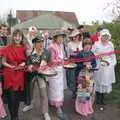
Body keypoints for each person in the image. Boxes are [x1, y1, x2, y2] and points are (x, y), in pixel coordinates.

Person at [2, 29, 26, 120]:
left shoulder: (24, 48)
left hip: (19, 74)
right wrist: (10, 66)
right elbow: (3, 62)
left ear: (21, 37)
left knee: (17, 98)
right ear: (13, 37)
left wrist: (24, 63)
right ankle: (13, 117)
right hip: (9, 74)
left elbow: (26, 60)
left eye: (19, 36)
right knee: (11, 98)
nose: (17, 38)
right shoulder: (7, 48)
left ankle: (16, 116)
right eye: (15, 36)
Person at [26, 34, 51, 120]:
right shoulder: (30, 52)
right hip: (31, 75)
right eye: (38, 42)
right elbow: (28, 61)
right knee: (30, 91)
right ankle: (30, 105)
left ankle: (46, 112)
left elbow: (44, 62)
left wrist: (41, 67)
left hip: (41, 76)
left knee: (43, 93)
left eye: (42, 41)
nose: (41, 44)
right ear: (34, 43)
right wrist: (29, 65)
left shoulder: (46, 52)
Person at [92, 29, 117, 110]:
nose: (105, 38)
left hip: (107, 65)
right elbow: (92, 53)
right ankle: (97, 97)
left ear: (108, 37)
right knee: (98, 80)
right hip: (99, 64)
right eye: (103, 36)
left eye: (106, 36)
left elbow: (113, 55)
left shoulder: (110, 44)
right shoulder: (96, 44)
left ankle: (102, 98)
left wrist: (112, 63)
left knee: (105, 81)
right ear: (101, 36)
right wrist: (97, 56)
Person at [75, 39, 96, 118]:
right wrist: (84, 65)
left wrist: (92, 66)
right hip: (82, 75)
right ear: (83, 45)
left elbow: (94, 63)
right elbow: (76, 64)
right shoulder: (80, 54)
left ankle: (87, 107)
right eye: (86, 45)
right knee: (82, 91)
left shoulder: (92, 53)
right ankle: (81, 109)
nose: (88, 46)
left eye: (89, 45)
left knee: (88, 91)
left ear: (91, 46)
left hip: (90, 75)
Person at [48, 30, 66, 119]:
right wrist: (60, 61)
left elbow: (62, 56)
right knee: (55, 88)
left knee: (59, 87)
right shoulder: (52, 47)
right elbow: (51, 60)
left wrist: (64, 60)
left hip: (60, 69)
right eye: (59, 37)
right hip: (54, 70)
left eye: (62, 37)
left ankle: (55, 103)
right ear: (55, 38)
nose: (61, 39)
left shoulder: (61, 45)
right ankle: (58, 109)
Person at [23, 26, 38, 112]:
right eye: (32, 31)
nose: (33, 33)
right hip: (26, 64)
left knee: (33, 84)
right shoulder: (25, 40)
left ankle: (31, 102)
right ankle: (28, 102)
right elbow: (25, 51)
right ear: (29, 32)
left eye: (35, 32)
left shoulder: (36, 40)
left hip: (34, 64)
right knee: (27, 84)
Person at [66, 29, 83, 98]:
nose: (75, 37)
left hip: (81, 61)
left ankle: (80, 91)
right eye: (74, 36)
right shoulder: (69, 44)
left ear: (79, 36)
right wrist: (68, 61)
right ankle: (74, 91)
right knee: (73, 77)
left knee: (80, 77)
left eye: (76, 36)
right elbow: (68, 54)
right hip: (73, 62)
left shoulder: (82, 43)